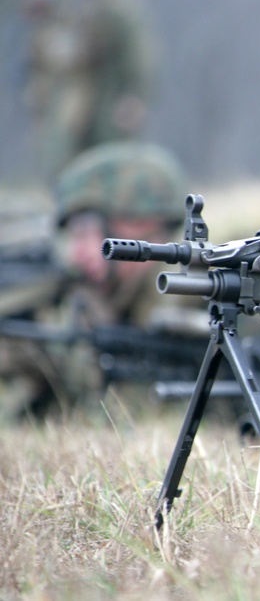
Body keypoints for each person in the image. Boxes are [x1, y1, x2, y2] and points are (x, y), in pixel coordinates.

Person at [0, 141, 195, 419]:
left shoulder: (189, 299)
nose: (76, 253)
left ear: (141, 226)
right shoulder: (91, 298)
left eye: (86, 231)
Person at [20, 0, 156, 182]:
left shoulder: (115, 0)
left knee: (112, 162)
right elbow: (43, 49)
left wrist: (134, 96)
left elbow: (138, 53)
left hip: (107, 94)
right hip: (66, 99)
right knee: (61, 162)